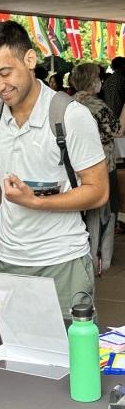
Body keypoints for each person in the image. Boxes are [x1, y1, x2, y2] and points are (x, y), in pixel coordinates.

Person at [0, 21, 109, 316]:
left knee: (70, 358)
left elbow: (98, 192)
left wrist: (36, 202)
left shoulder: (70, 116)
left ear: (30, 60)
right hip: (4, 263)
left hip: (62, 263)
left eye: (4, 73)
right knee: (2, 359)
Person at [71, 63, 120, 274]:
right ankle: (102, 259)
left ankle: (83, 257)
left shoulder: (68, 104)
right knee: (106, 214)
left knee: (82, 215)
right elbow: (115, 130)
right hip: (103, 167)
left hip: (74, 169)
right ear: (93, 81)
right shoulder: (99, 107)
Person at [101, 56, 125, 129]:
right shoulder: (122, 79)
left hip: (108, 116)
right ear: (123, 66)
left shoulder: (108, 80)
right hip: (119, 117)